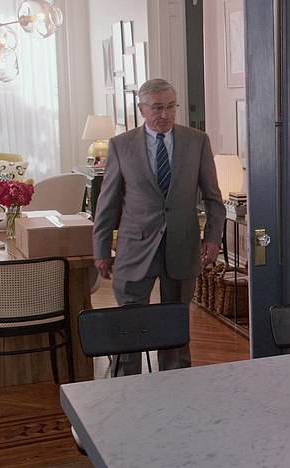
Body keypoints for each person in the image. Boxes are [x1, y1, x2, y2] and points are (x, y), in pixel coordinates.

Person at [92, 78, 226, 375]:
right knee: (130, 322)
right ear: (142, 109)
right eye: (157, 108)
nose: (164, 114)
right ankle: (127, 383)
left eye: (170, 107)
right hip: (134, 248)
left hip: (182, 246)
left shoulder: (197, 141)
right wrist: (101, 249)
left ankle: (175, 383)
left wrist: (213, 237)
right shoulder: (121, 145)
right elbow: (107, 203)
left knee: (175, 323)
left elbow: (213, 199)